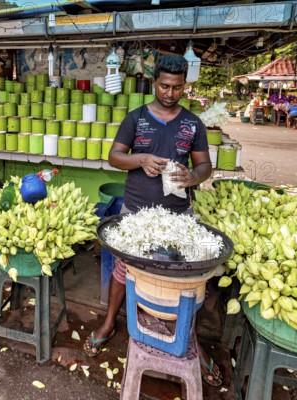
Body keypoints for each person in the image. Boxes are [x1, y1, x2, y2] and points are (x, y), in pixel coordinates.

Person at [83, 54, 223, 387]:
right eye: (163, 85)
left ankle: (191, 341)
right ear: (154, 83)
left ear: (184, 86)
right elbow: (114, 156)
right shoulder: (136, 119)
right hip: (137, 211)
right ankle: (108, 323)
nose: (170, 93)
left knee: (181, 281)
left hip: (176, 216)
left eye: (176, 87)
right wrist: (140, 159)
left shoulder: (192, 124)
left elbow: (206, 167)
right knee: (123, 269)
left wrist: (192, 177)